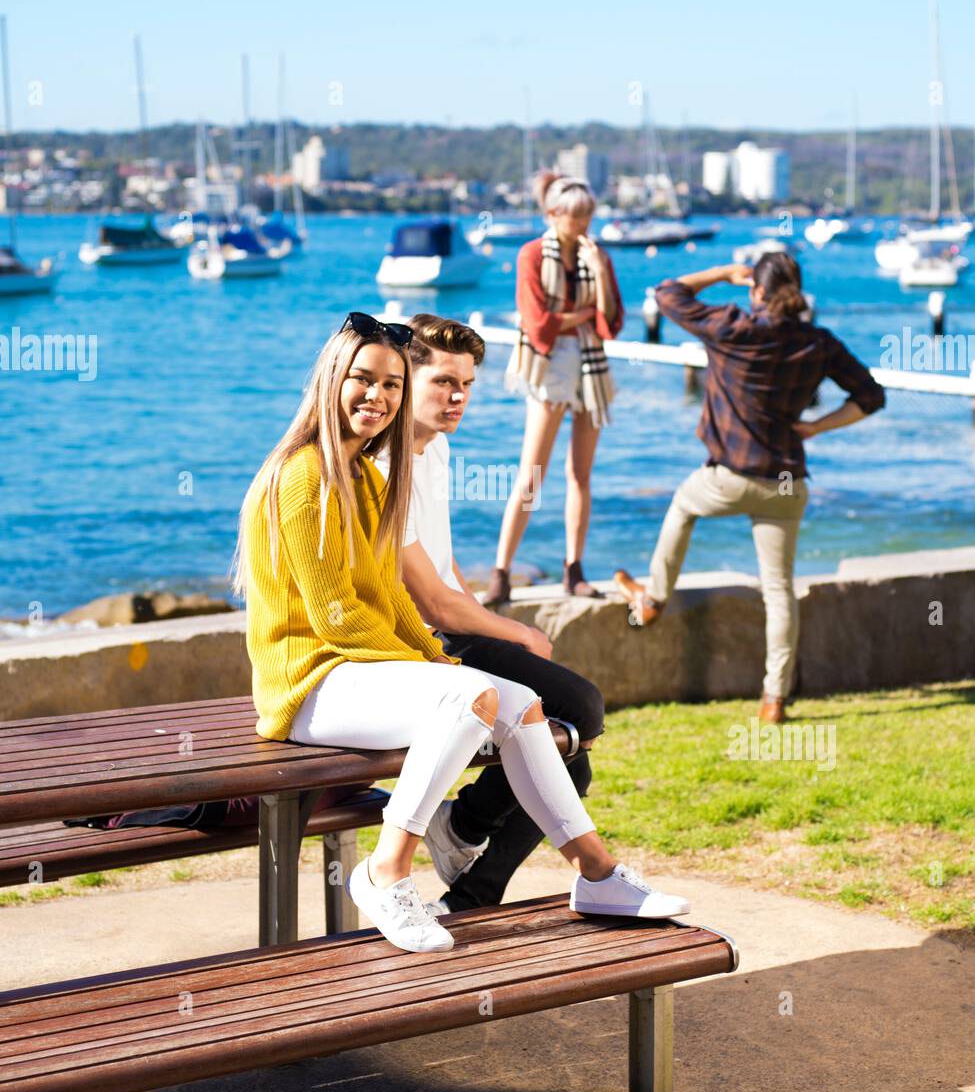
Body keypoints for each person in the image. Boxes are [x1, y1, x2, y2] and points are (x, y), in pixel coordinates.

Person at [232, 310, 690, 955]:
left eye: (390, 385)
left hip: (357, 671)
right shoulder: (305, 476)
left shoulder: (360, 474)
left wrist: (441, 666)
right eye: (364, 380)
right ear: (331, 380)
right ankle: (385, 872)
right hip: (310, 683)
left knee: (522, 704)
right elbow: (336, 614)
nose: (378, 397)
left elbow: (388, 595)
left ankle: (597, 873)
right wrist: (444, 676)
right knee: (471, 698)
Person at [375, 313, 660, 917]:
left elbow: (447, 577)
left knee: (571, 754)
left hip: (451, 630)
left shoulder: (438, 450)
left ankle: (469, 883)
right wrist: (517, 631)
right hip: (419, 649)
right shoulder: (385, 466)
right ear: (406, 375)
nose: (458, 397)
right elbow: (428, 600)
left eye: (468, 384)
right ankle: (465, 832)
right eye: (443, 381)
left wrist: (489, 624)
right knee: (580, 713)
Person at [621, 253, 885, 723]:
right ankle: (773, 699)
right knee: (779, 589)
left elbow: (667, 293)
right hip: (784, 481)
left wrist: (722, 271)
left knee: (683, 505)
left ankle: (655, 599)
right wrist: (817, 427)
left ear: (757, 291)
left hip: (729, 476)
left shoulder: (731, 326)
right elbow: (871, 396)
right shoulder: (817, 342)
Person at [484, 171, 624, 607]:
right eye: (576, 215)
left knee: (580, 474)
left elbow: (611, 324)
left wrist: (599, 273)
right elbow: (537, 321)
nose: (583, 224)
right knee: (532, 473)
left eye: (588, 215)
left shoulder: (596, 256)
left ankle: (573, 568)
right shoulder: (531, 255)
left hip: (590, 365)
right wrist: (582, 316)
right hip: (548, 366)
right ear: (552, 214)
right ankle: (502, 571)